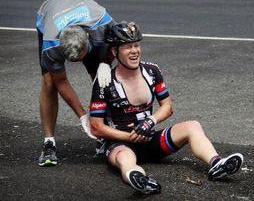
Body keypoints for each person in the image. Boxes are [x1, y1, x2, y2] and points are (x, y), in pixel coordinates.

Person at [89, 21, 244, 195]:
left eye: (136, 45)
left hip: (149, 140)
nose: (134, 51)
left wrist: (150, 121)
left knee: (193, 126)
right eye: (127, 47)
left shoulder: (152, 71)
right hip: (121, 144)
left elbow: (168, 107)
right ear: (114, 51)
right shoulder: (104, 82)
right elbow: (96, 127)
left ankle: (217, 164)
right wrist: (129, 137)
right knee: (125, 159)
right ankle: (141, 180)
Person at [36, 0, 116, 166]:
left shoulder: (102, 21)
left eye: (81, 58)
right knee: (49, 83)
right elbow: (61, 82)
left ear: (88, 38)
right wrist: (83, 117)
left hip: (88, 18)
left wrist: (106, 62)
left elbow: (119, 42)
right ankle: (49, 142)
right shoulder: (52, 43)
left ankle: (106, 133)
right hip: (49, 14)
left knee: (102, 78)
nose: (78, 64)